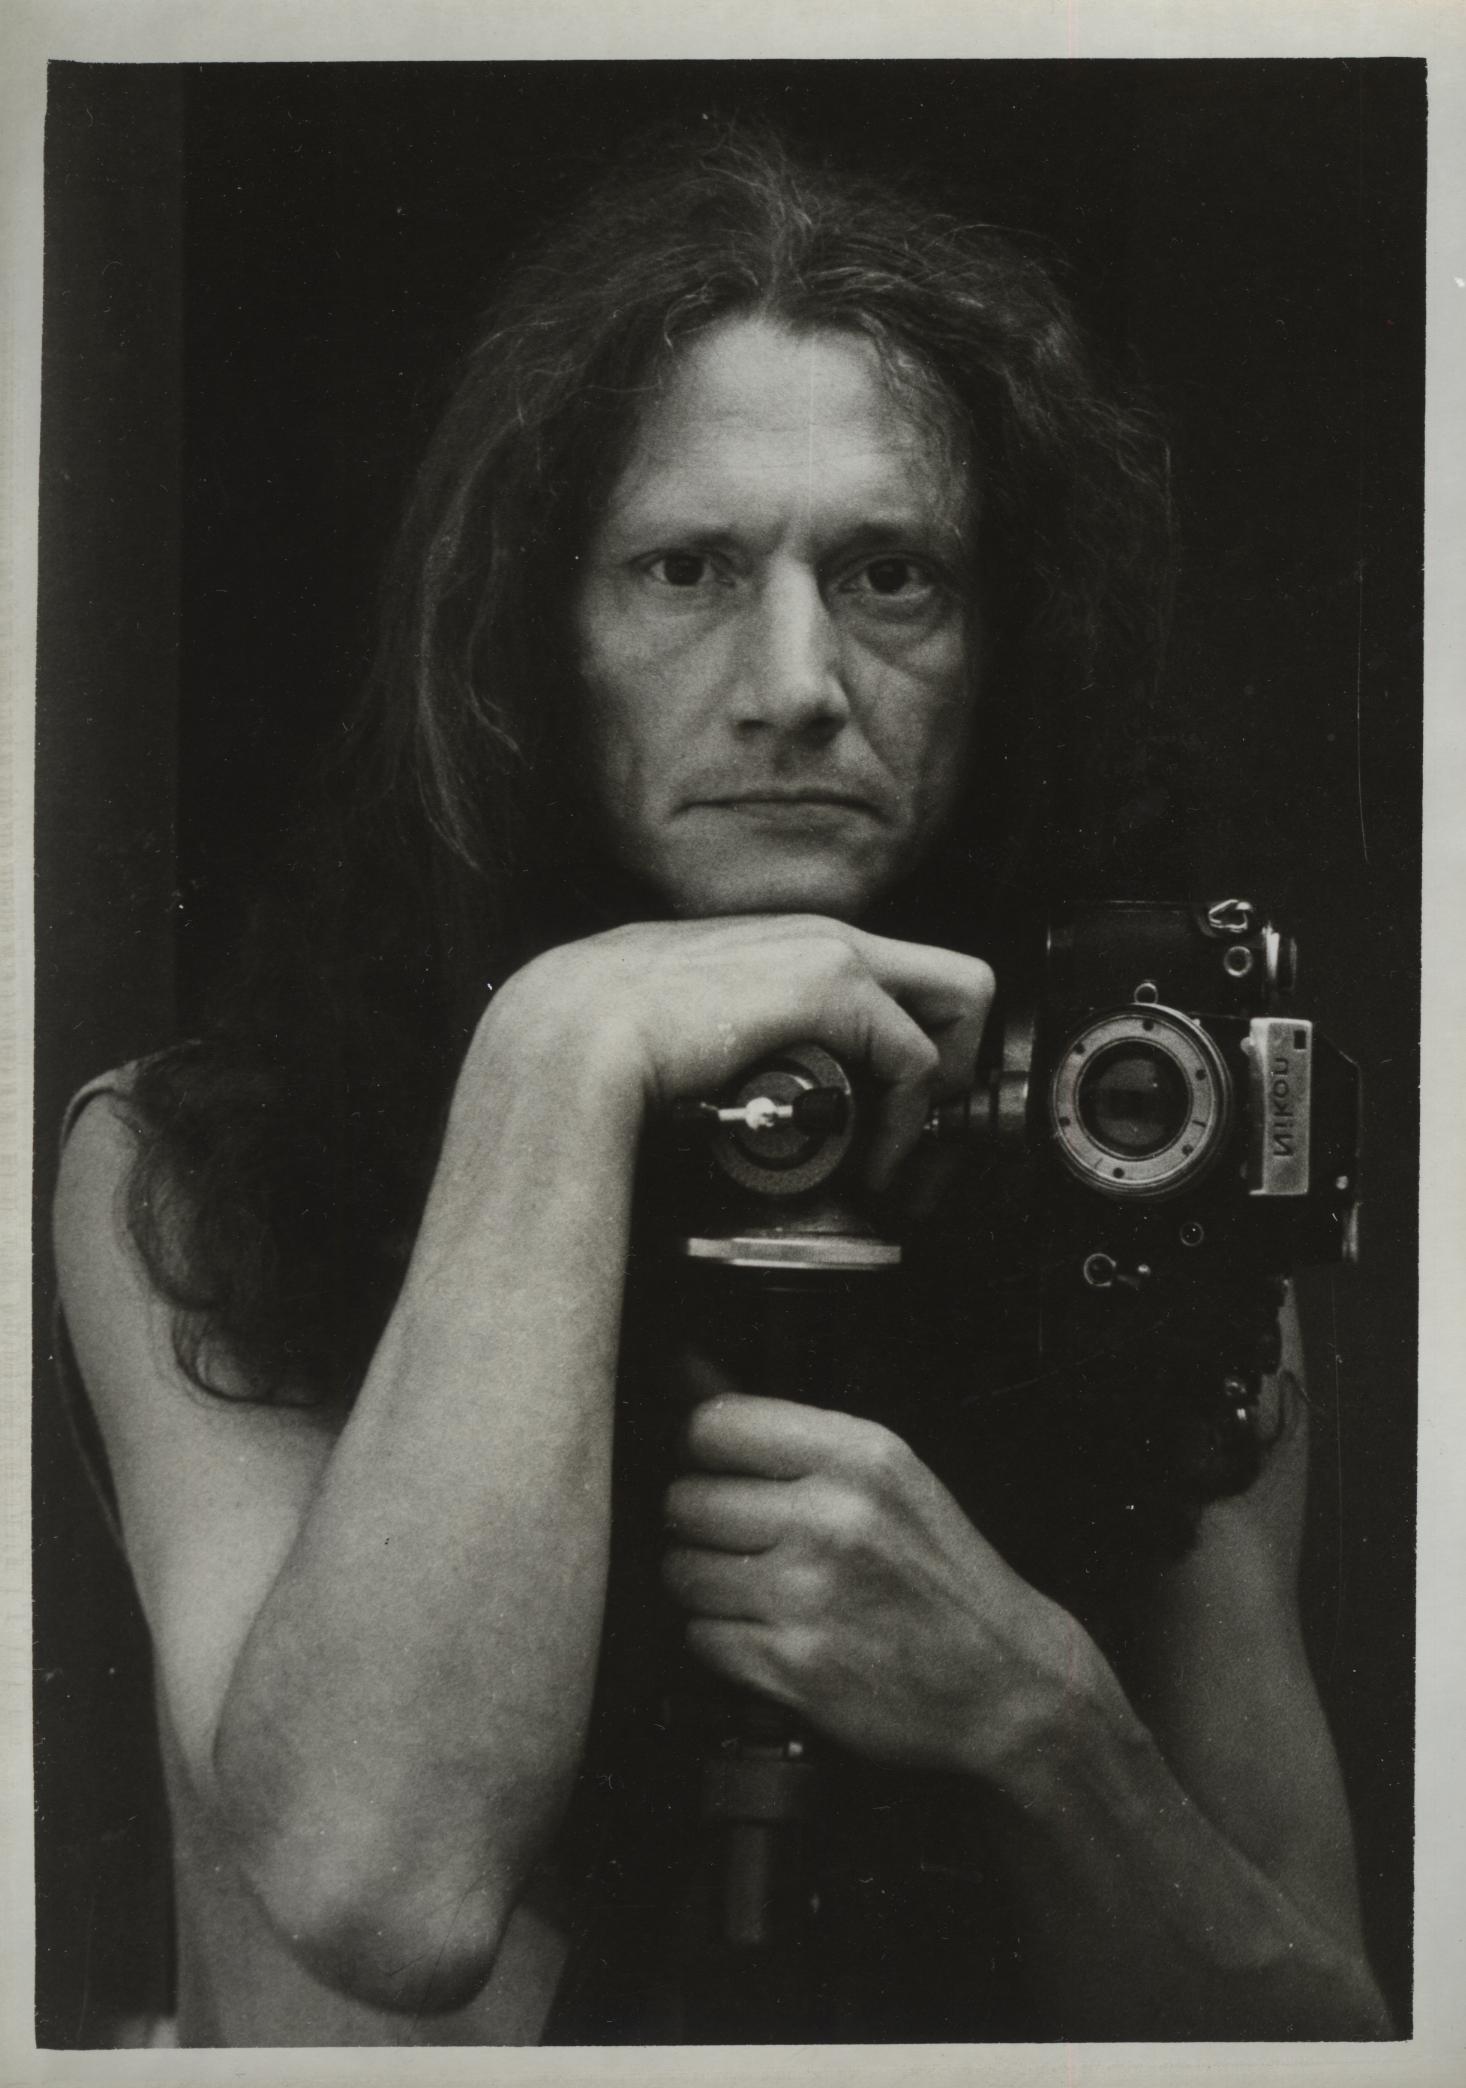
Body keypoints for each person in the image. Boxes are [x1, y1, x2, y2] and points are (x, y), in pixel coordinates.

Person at [51, 125, 1392, 2046]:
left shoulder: (1139, 1169)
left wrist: (1033, 1714)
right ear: (535, 635)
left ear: (1003, 645)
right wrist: (562, 1052)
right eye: (683, 570)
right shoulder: (193, 1160)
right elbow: (381, 1892)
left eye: (890, 575)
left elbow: (1325, 2040)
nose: (794, 683)